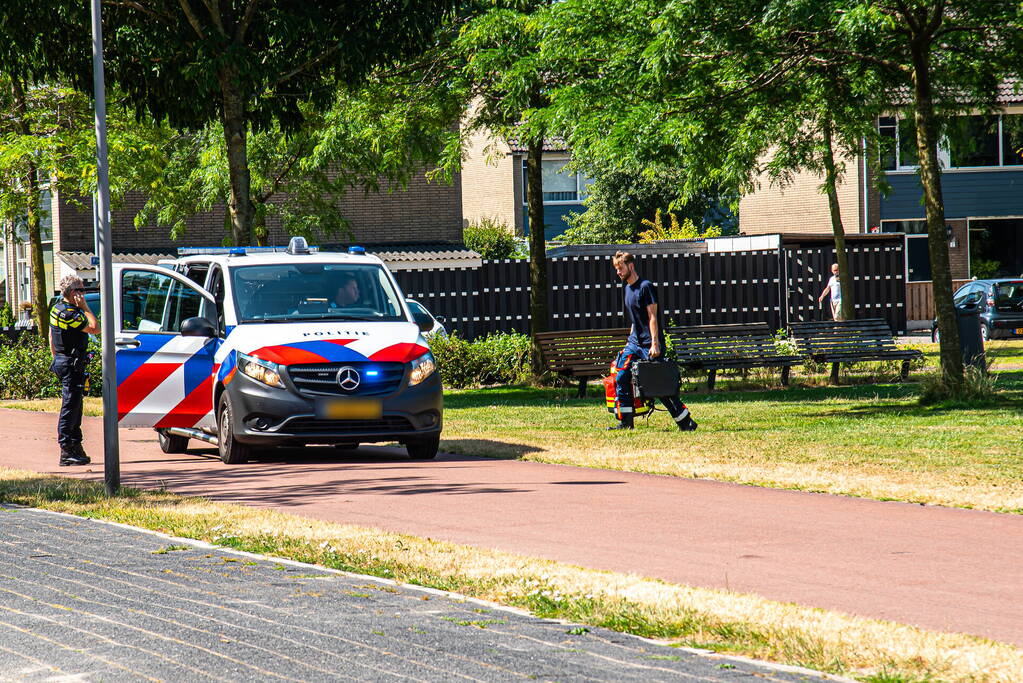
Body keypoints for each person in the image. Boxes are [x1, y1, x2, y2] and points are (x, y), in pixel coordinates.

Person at [608, 251, 696, 432]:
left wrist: (655, 344)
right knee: (621, 377)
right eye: (616, 269)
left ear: (631, 266)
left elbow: (652, 317)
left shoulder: (645, 287)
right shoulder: (627, 289)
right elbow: (635, 320)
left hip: (650, 344)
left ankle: (685, 422)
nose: (618, 272)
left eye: (620, 268)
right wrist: (629, 341)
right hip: (634, 344)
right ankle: (626, 422)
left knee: (658, 384)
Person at [49, 275, 99, 466]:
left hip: (65, 361)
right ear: (72, 292)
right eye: (81, 290)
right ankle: (66, 450)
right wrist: (85, 306)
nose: (83, 293)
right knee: (71, 407)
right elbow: (95, 328)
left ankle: (76, 446)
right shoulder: (70, 313)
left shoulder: (57, 308)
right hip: (70, 363)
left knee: (76, 406)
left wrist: (56, 358)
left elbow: (51, 336)